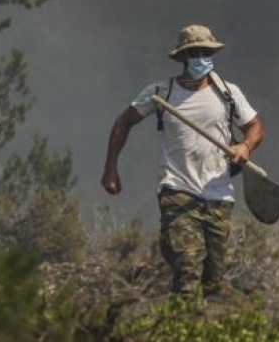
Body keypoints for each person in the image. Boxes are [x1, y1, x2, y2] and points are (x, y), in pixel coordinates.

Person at [101, 24, 265, 297]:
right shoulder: (161, 93)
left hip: (218, 194)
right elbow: (123, 122)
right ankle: (181, 321)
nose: (201, 58)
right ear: (183, 58)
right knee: (188, 267)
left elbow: (256, 127)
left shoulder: (228, 94)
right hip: (177, 191)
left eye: (206, 52)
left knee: (214, 279)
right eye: (195, 53)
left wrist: (245, 147)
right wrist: (111, 168)